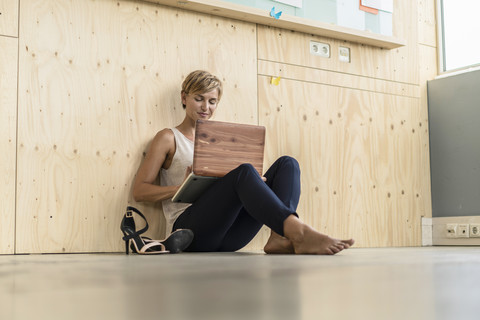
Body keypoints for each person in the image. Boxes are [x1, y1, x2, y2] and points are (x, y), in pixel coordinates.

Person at [132, 70, 354, 255]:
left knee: (288, 163)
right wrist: (181, 188)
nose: (205, 107)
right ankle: (298, 231)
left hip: (231, 236)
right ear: (184, 98)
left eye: (212, 101)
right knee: (244, 171)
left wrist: (252, 183)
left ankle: (278, 236)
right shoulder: (169, 138)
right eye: (198, 99)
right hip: (190, 232)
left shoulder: (220, 138)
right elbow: (140, 191)